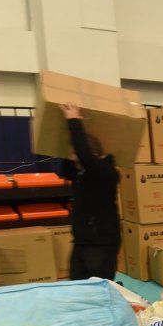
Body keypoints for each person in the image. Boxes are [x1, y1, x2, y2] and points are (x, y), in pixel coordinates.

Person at [58, 102, 121, 280]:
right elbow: (67, 167)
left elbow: (84, 154)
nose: (72, 157)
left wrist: (74, 121)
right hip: (82, 240)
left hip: (101, 242)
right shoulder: (81, 172)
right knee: (76, 282)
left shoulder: (106, 173)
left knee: (96, 287)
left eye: (75, 154)